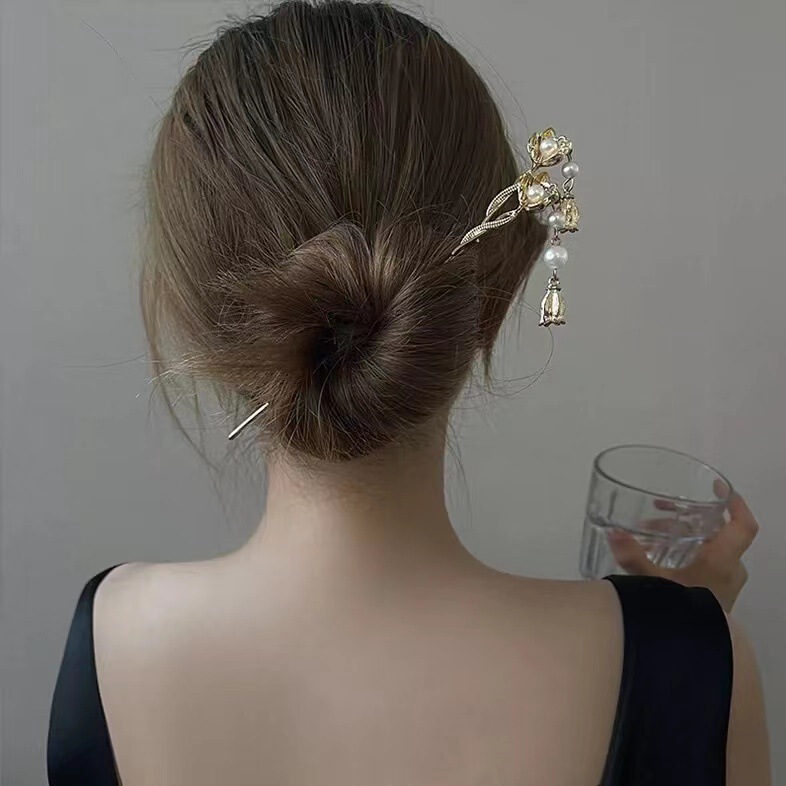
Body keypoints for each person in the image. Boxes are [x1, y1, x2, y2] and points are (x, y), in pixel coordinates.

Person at [47, 2, 770, 784]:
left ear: (189, 311)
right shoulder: (689, 662)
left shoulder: (110, 638)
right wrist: (682, 665)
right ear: (495, 293)